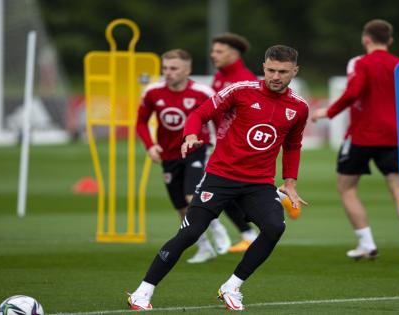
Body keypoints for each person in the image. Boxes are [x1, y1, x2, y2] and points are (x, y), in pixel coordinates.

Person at [128, 45, 309, 311]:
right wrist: (190, 135)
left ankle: (232, 286)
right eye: (271, 70)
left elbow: (293, 145)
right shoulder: (240, 91)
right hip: (219, 177)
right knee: (189, 233)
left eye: (283, 71)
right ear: (264, 67)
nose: (276, 76)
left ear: (295, 71)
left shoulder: (299, 108)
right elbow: (200, 114)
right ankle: (143, 291)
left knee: (274, 227)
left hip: (258, 183)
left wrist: (290, 181)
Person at [311, 19, 399, 264]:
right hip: (394, 135)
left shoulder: (360, 62)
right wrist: (398, 115)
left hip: (362, 134)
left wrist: (327, 112)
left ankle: (367, 244)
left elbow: (353, 91)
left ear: (366, 39)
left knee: (347, 188)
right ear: (390, 40)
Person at [136, 49, 230, 264]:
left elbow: (220, 120)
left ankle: (217, 228)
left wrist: (220, 146)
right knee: (181, 207)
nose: (168, 73)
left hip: (197, 148)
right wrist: (151, 146)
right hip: (169, 154)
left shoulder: (202, 92)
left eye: (174, 68)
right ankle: (205, 247)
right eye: (165, 68)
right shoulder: (152, 92)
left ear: (187, 70)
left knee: (191, 196)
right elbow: (140, 122)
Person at [210, 33, 300, 253]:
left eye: (219, 51)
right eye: (214, 51)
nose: (213, 55)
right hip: (224, 145)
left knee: (222, 190)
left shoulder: (242, 79)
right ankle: (259, 220)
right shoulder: (220, 77)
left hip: (238, 147)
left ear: (233, 54)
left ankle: (248, 233)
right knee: (227, 191)